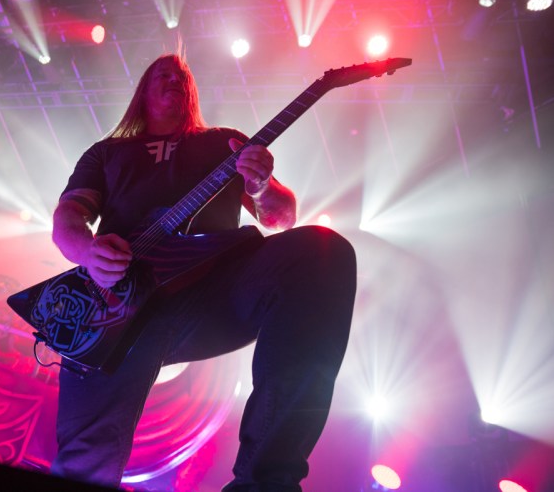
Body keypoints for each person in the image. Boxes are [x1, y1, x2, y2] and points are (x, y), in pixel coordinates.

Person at [49, 53, 357, 491]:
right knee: (84, 459)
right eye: (163, 74)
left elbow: (281, 217)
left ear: (192, 92)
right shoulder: (106, 153)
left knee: (321, 251)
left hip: (213, 295)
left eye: (182, 76)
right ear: (144, 89)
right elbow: (67, 220)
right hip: (118, 309)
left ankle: (266, 482)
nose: (173, 79)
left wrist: (260, 186)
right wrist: (88, 252)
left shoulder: (226, 143)